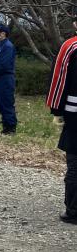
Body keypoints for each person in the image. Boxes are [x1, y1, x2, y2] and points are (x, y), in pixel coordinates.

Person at [47, 13, 77, 224]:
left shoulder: (70, 46)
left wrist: (56, 110)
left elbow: (59, 79)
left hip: (75, 114)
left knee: (75, 163)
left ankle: (74, 210)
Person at [0, 23, 17, 134]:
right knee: (0, 102)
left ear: (3, 33)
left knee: (6, 102)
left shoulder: (8, 46)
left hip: (5, 79)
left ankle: (11, 128)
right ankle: (5, 126)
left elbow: (4, 64)